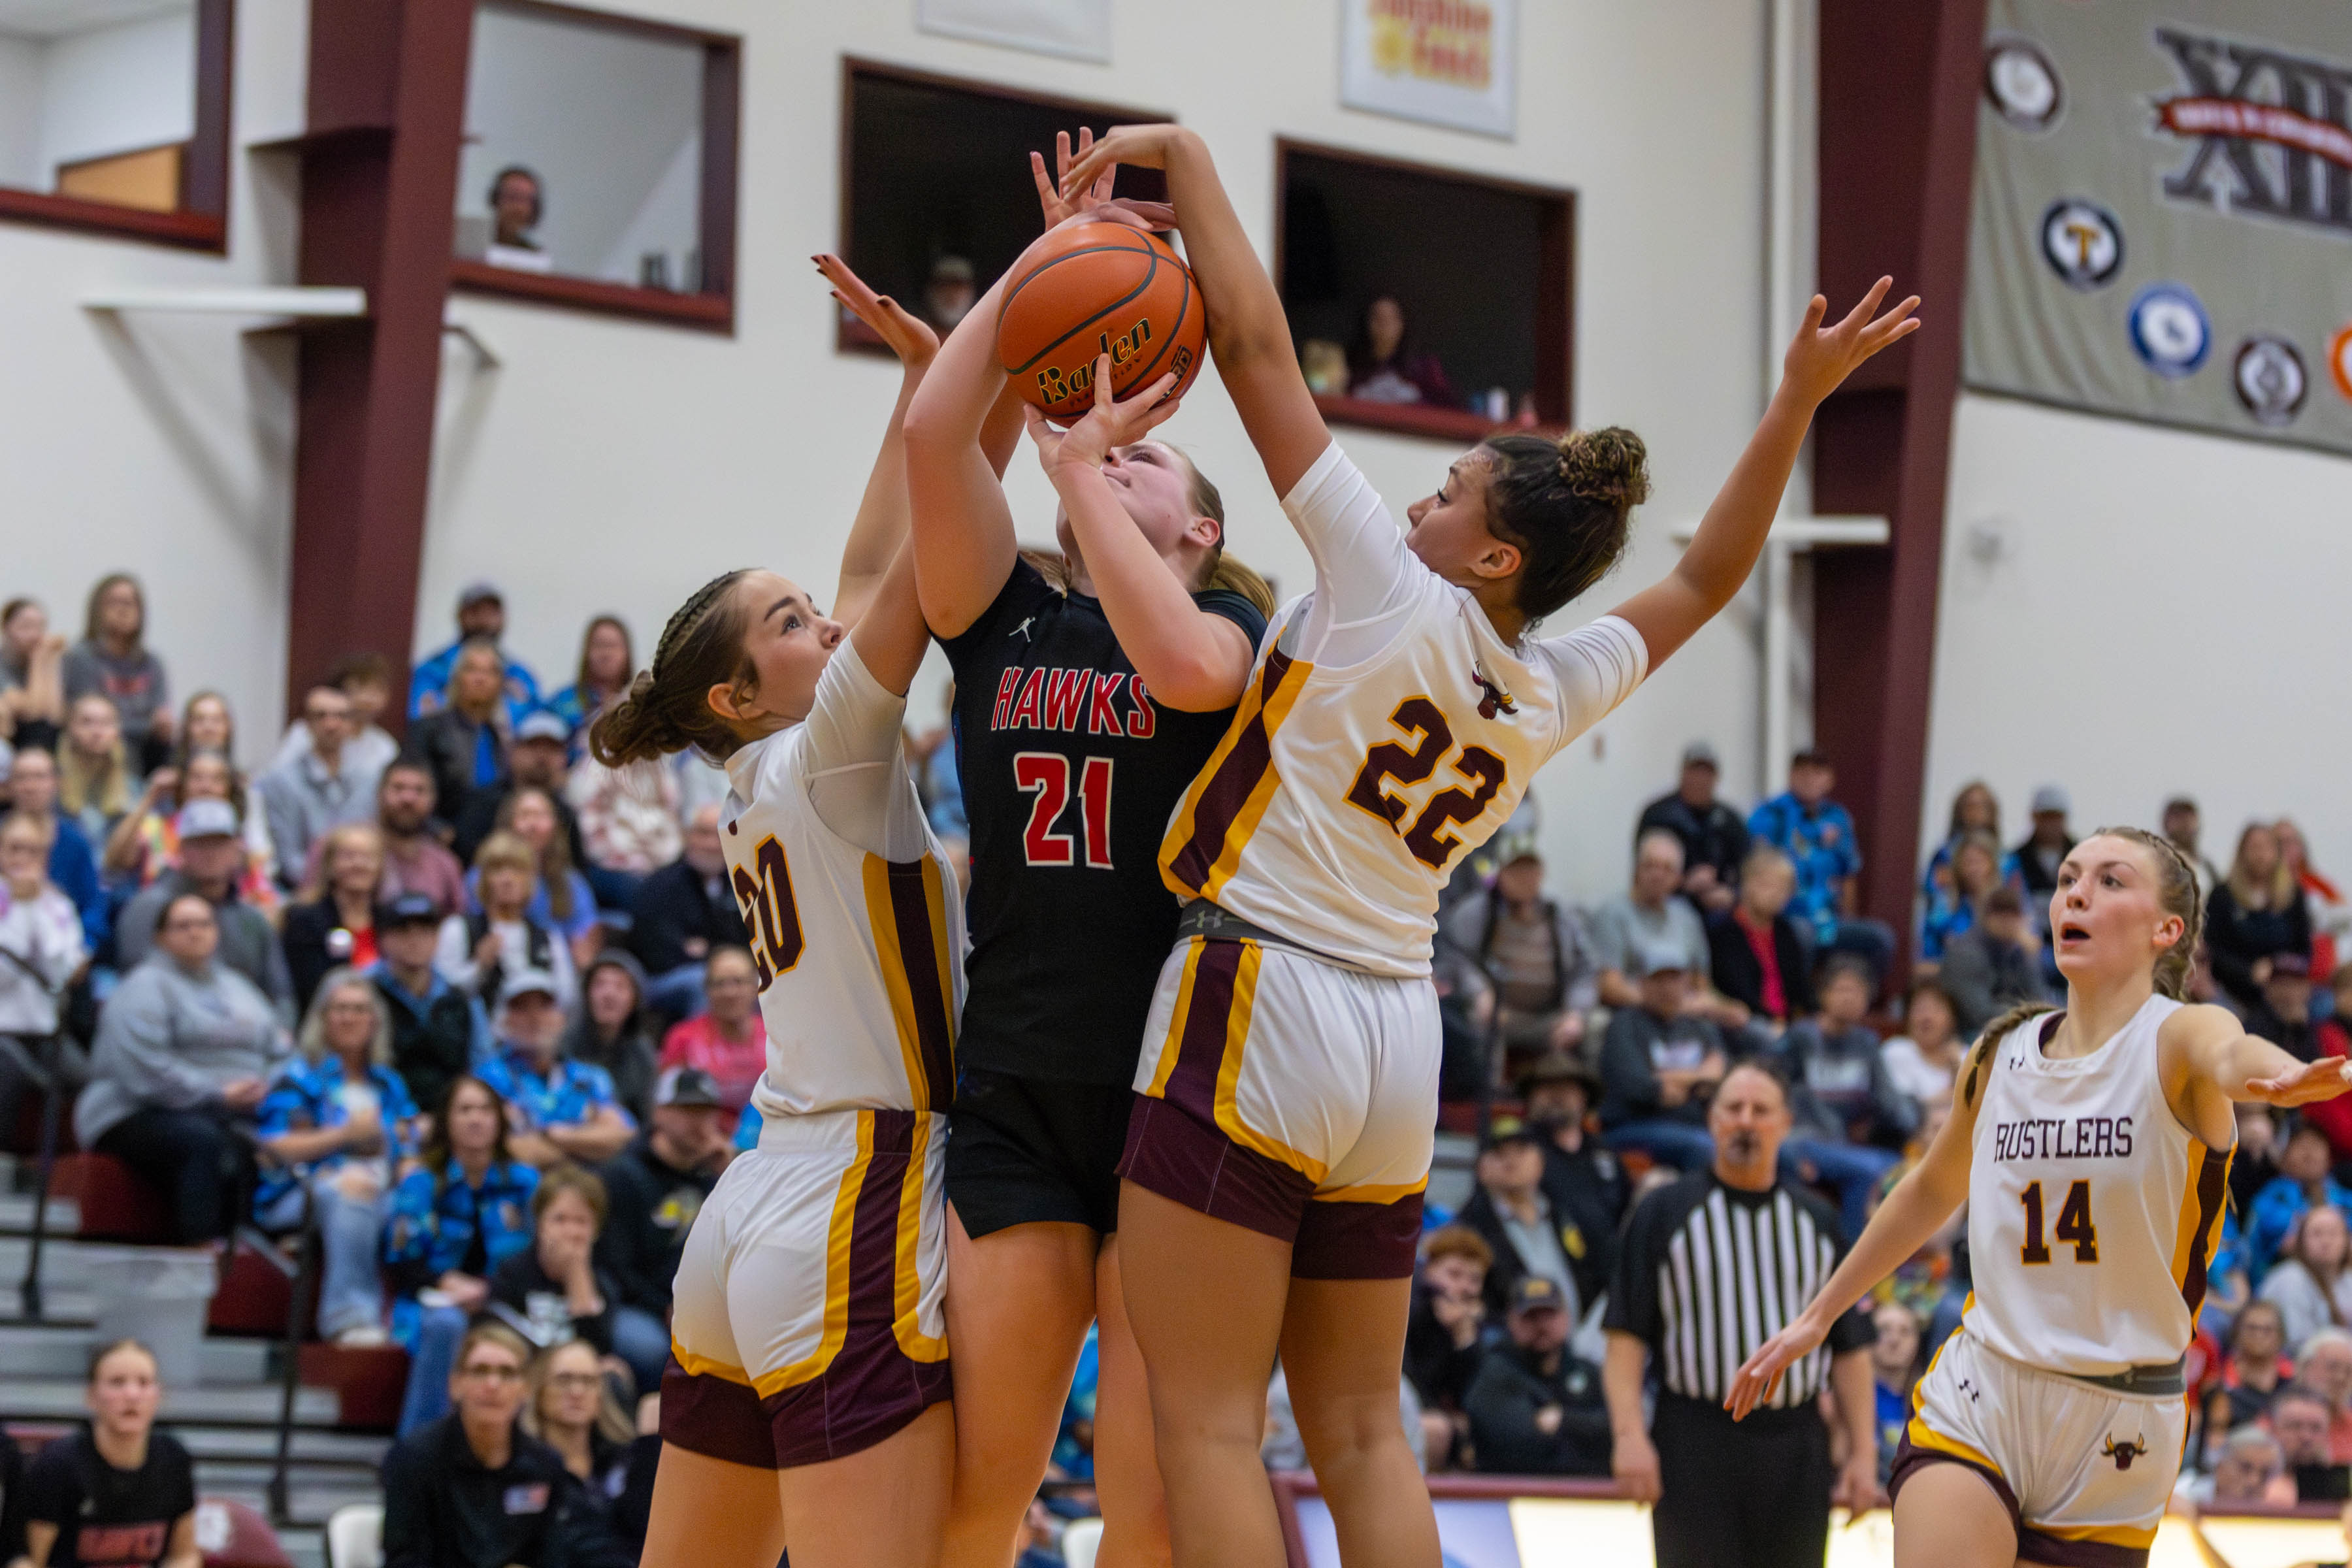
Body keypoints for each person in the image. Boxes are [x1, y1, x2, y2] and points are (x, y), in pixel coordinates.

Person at [1055, 118, 1914, 1568]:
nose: (1419, 498)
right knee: (1362, 1428)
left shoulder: (1383, 584)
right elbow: (1709, 572)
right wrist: (1798, 403)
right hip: (1400, 1037)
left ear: (1497, 554)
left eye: (1451, 492)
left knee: (1200, 1421)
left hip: (1257, 992)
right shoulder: (1550, 681)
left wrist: (1180, 155)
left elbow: (1262, 347)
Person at [900, 141, 1275, 1568]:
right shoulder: (999, 620)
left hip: (1168, 1092)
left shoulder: (1233, 641)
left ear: (1205, 525)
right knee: (987, 1483)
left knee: (1151, 1502)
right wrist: (1042, 275)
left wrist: (1076, 462)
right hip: (1011, 1086)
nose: (1115, 448)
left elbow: (1176, 669)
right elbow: (937, 443)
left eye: (1152, 453)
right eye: (1096, 443)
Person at [589, 254, 964, 1568]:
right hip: (859, 1194)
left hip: (754, 1207)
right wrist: (997, 377)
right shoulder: (832, 755)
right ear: (743, 694)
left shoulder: (768, 771)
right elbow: (933, 552)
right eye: (795, 622)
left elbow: (867, 565)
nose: (826, 617)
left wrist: (925, 384)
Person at [1728, 828, 2352, 1568]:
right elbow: (1931, 1187)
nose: (2076, 894)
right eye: (2065, 878)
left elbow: (2231, 1051)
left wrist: (2283, 1076)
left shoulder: (2178, 1036)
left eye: (2111, 881)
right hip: (1984, 1385)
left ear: (2167, 930)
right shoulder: (2000, 1053)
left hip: (2120, 1417)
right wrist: (1819, 1315)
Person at [1603, 1061, 1880, 1568]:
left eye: (1760, 1110)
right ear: (1712, 1120)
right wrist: (1629, 1437)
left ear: (1785, 1123)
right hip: (1693, 1440)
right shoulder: (1662, 1212)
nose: (1746, 1121)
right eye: (1733, 1109)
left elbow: (1851, 1349)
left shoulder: (1817, 1221)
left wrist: (1863, 1455)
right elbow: (1625, 1337)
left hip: (1796, 1446)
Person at [76, 893, 284, 1243]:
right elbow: (144, 1070)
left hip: (231, 1109)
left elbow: (279, 1047)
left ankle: (249, 1253)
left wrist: (270, 1087)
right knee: (201, 1139)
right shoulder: (143, 986)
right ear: (160, 937)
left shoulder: (239, 987)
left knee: (261, 1142)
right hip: (134, 1111)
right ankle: (198, 1249)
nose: (195, 933)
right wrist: (217, 1094)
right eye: (183, 926)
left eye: (204, 924)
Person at [380, 1320, 632, 1568]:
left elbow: (551, 1558)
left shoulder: (545, 1466)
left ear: (524, 1389)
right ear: (456, 1385)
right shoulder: (413, 1459)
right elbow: (404, 1560)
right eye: (480, 1371)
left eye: (507, 1373)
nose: (493, 1385)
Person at [253, 969, 418, 1344]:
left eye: (360, 1009)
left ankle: (414, 1316)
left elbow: (408, 1144)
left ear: (375, 1020)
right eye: (340, 1009)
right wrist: (345, 1135)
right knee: (352, 1190)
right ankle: (348, 1318)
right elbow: (275, 1147)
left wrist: (412, 1175)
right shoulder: (297, 1076)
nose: (350, 1018)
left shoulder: (388, 1083)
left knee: (421, 1198)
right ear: (322, 1018)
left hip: (382, 1186)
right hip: (302, 1190)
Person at [385, 1074, 542, 1436]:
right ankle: (417, 1451)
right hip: (431, 1299)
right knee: (447, 1324)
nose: (476, 1119)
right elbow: (401, 1259)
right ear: (447, 1121)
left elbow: (538, 1256)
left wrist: (491, 1290)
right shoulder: (422, 1182)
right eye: (465, 1110)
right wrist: (445, 1282)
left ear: (500, 1121)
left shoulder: (526, 1183)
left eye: (486, 1109)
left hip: (506, 1297)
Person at [487, 1164, 666, 1397]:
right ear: (540, 1224)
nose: (570, 1232)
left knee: (615, 1378)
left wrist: (576, 1275)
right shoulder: (512, 1272)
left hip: (574, 1378)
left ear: (596, 1231)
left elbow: (595, 1351)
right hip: (527, 1376)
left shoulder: (601, 1284)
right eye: (560, 1219)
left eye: (581, 1222)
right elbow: (503, 1342)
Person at [19, 1339, 199, 1568]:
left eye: (144, 1383)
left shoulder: (174, 1458)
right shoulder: (58, 1464)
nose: (132, 1394)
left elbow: (183, 1555)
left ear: (159, 1395)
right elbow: (31, 1561)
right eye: (117, 1382)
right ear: (91, 1396)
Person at [1776, 955, 1914, 1237]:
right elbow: (1772, 1089)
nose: (1849, 998)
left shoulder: (1866, 1043)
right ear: (1824, 995)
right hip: (1804, 1139)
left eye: (1857, 991)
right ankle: (1848, 1264)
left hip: (1847, 1145)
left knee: (1903, 1169)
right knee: (1867, 1170)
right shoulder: (1801, 1038)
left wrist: (1914, 1121)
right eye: (1842, 990)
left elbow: (1890, 1103)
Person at [113, 800, 292, 1013]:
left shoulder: (252, 918)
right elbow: (136, 986)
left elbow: (281, 993)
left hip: (248, 1031)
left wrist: (279, 1033)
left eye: (220, 843)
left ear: (237, 849)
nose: (210, 853)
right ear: (181, 850)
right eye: (199, 844)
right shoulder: (149, 907)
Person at [594, 1065, 727, 1340]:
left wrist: (732, 1178)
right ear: (659, 1113)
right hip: (637, 1305)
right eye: (687, 1110)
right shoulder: (622, 1176)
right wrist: (663, 1306)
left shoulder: (718, 1177)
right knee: (648, 1347)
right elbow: (614, 1267)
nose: (699, 1122)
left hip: (701, 1308)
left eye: (706, 1111)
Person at [1436, 848, 1598, 1067]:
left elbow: (1585, 970)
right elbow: (1455, 957)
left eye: (1531, 870)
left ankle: (1577, 1096)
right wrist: (1479, 991)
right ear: (1501, 874)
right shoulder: (1474, 912)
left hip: (1551, 1017)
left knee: (1598, 1025)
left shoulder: (1561, 916)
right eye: (1516, 871)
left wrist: (1576, 1013)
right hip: (1498, 1015)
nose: (1525, 878)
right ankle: (1489, 1096)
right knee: (1472, 1019)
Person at [1748, 751, 1897, 983]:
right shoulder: (1770, 814)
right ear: (1791, 776)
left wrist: (1849, 917)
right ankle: (1803, 1005)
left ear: (1829, 779)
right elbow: (1755, 868)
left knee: (1881, 938)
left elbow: (1848, 874)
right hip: (1786, 917)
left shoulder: (1838, 818)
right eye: (1803, 772)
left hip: (1829, 920)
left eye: (1818, 773)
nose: (1810, 779)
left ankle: (1856, 1001)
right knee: (1802, 936)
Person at [476, 970, 632, 1168]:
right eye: (521, 1008)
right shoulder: (488, 1078)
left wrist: (552, 1135)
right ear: (505, 1021)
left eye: (545, 1007)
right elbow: (495, 1150)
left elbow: (623, 1138)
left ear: (562, 1019)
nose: (534, 1018)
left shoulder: (591, 1077)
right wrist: (587, 1140)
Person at [1457, 1115, 1601, 1328]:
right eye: (1499, 1153)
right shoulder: (1469, 1228)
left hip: (1578, 1347)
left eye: (1521, 1151)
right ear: (1481, 1168)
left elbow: (1594, 1273)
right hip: (1507, 1349)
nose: (1511, 1160)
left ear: (1540, 1162)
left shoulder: (1565, 1214)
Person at [1597, 946, 1729, 1171]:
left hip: (1696, 1126)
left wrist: (1670, 1079)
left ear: (1687, 982)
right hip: (1635, 1125)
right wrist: (1700, 1078)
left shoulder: (1702, 1028)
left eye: (1674, 979)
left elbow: (1723, 1083)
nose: (1667, 988)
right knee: (1704, 1147)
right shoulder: (1624, 1025)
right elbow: (1638, 1087)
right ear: (1641, 983)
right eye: (1658, 979)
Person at [0, 809, 90, 1139]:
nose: (23, 858)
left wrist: (35, 909)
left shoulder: (58, 905)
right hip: (2, 1029)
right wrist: (19, 911)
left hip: (44, 1030)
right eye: (14, 848)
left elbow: (63, 972)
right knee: (7, 1074)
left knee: (89, 1082)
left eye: (32, 850)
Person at [1462, 1275, 1609, 1475]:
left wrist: (1564, 1421)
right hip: (1507, 1493)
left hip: (1591, 1493)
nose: (1541, 1325)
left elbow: (1618, 1429)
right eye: (1531, 1316)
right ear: (1511, 1320)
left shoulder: (1590, 1373)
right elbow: (1515, 1442)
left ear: (1566, 1317)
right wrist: (1584, 1433)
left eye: (1549, 1314)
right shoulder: (1494, 1372)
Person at [104, 747, 281, 912]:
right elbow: (115, 860)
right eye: (197, 778)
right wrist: (152, 795)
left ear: (229, 788)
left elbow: (264, 899)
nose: (206, 786)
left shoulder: (237, 838)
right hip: (159, 920)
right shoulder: (157, 827)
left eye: (217, 779)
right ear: (182, 785)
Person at [370, 891, 490, 1122]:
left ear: (437, 939)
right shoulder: (365, 992)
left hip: (451, 1122)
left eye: (425, 931)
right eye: (403, 931)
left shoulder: (462, 999)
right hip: (383, 1116)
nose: (414, 940)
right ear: (383, 939)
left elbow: (483, 1065)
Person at [625, 802, 747, 1022]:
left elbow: (746, 942)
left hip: (722, 971)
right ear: (687, 836)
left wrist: (706, 950)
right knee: (704, 982)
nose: (712, 844)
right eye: (703, 833)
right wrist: (715, 958)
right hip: (662, 980)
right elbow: (658, 952)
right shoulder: (661, 885)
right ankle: (702, 1053)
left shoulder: (739, 883)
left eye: (719, 834)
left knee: (753, 981)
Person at [257, 684, 380, 889]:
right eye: (321, 716)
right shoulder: (281, 781)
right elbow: (289, 860)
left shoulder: (369, 780)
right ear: (306, 723)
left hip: (360, 892)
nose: (331, 725)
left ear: (352, 724)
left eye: (341, 716)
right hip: (302, 892)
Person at [436, 831, 578, 1009]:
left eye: (517, 870)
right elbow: (440, 993)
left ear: (531, 880)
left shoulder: (549, 938)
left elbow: (567, 998)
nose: (507, 879)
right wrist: (479, 969)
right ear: (483, 880)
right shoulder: (458, 928)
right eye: (497, 870)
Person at [473, 784, 599, 971]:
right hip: (496, 967)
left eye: (541, 816)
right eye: (525, 815)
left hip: (554, 971)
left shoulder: (572, 883)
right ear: (508, 823)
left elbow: (584, 944)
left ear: (555, 825)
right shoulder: (480, 875)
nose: (533, 825)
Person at [1591, 829, 1718, 1010]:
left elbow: (1701, 984)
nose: (1658, 875)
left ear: (1678, 878)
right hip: (1632, 1014)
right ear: (1636, 870)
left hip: (1685, 1016)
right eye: (1650, 865)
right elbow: (1609, 988)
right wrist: (1668, 1006)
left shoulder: (1687, 916)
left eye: (1667, 869)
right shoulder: (1612, 914)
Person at [62, 574, 171, 773]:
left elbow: (161, 718)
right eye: (114, 603)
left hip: (145, 752)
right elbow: (90, 723)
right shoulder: (81, 657)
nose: (123, 610)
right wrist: (146, 725)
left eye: (130, 603)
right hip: (95, 753)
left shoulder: (152, 663)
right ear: (97, 610)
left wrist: (159, 725)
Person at [402, 639, 512, 830]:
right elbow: (413, 784)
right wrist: (435, 828)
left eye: (490, 672)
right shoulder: (428, 729)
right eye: (472, 670)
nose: (481, 679)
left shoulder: (500, 736)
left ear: (500, 682)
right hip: (440, 836)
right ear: (457, 678)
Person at [2208, 820, 2315, 1016]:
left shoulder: (2293, 895)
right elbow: (2215, 949)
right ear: (2242, 853)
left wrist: (2275, 967)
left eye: (2267, 847)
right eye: (2255, 847)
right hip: (2234, 992)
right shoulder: (2222, 896)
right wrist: (2249, 971)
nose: (2261, 855)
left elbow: (2304, 948)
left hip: (2284, 993)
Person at [453, 712, 587, 868]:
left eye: (552, 749)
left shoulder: (565, 814)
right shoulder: (483, 803)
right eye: (533, 746)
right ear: (513, 752)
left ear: (564, 758)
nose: (542, 756)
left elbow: (576, 870)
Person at [1707, 842, 1816, 1032]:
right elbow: (1737, 991)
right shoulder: (1725, 931)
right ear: (1747, 883)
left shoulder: (1786, 932)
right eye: (1768, 885)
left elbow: (1800, 989)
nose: (1776, 895)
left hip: (1786, 1023)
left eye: (1784, 888)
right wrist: (1775, 1024)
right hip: (1746, 1022)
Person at [520, 1337, 636, 1512]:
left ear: (601, 1395)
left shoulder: (623, 1461)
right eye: (563, 1380)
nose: (577, 1392)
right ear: (540, 1391)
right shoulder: (521, 1466)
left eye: (588, 1381)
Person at [281, 821, 385, 1014]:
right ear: (329, 865)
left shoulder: (389, 920)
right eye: (349, 856)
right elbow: (307, 988)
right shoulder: (305, 920)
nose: (359, 864)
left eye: (368, 857)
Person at [7, 747, 106, 949]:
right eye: (22, 777)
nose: (30, 786)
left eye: (39, 777)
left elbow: (93, 902)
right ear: (10, 785)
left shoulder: (75, 841)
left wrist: (85, 946)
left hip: (63, 944)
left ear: (55, 783)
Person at [341, 760, 467, 915]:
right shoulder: (343, 850)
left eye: (419, 790)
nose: (408, 798)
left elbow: (456, 926)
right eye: (398, 788)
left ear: (433, 800)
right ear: (379, 794)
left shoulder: (445, 864)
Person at [1636, 740, 1749, 913]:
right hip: (1667, 904)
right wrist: (1682, 883)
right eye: (1695, 771)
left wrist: (1731, 894)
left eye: (1706, 773)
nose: (1700, 779)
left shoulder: (1730, 821)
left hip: (1720, 913)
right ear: (1683, 773)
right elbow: (1643, 871)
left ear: (1716, 778)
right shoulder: (1658, 815)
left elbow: (1745, 869)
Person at [1403, 1224, 1492, 1444]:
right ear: (1428, 1270)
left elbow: (1477, 1399)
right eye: (1454, 1274)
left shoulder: (1473, 1324)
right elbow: (1404, 1377)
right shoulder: (1408, 1308)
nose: (1464, 1287)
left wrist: (1465, 1339)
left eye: (1474, 1279)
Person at [656, 946, 764, 1124]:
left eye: (738, 982)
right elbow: (665, 1107)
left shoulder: (774, 1037)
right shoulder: (683, 1038)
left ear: (755, 987)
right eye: (720, 983)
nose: (730, 992)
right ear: (707, 990)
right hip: (702, 1142)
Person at [409, 581, 540, 723]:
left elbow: (535, 724)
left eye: (491, 613)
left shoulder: (519, 673)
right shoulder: (433, 669)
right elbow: (421, 717)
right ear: (460, 615)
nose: (484, 620)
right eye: (476, 612)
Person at [563, 949, 659, 1126]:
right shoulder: (564, 1044)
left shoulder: (642, 1053)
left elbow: (646, 1119)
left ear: (635, 1000)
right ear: (586, 994)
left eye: (620, 986)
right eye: (599, 985)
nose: (608, 995)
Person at [272, 651, 399, 783]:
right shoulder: (305, 733)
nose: (369, 698)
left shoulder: (384, 745)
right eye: (361, 687)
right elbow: (276, 777)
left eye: (378, 690)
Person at [1936, 885, 2044, 1037]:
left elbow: (2039, 998)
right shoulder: (1966, 953)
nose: (2008, 923)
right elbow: (1980, 1014)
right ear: (1987, 917)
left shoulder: (2014, 948)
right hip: (1965, 1034)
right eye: (2002, 916)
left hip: (2007, 1028)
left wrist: (2031, 956)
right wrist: (2031, 1015)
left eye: (2015, 916)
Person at [2251, 1122, 2352, 1282]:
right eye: (2301, 1145)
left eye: (2317, 1145)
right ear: (2284, 1157)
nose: (2309, 1153)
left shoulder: (2346, 1200)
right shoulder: (2271, 1196)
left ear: (2329, 1157)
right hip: (2282, 1279)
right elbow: (2277, 1242)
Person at [2261, 1204, 2352, 1358]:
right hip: (2294, 1367)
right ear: (2300, 1240)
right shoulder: (2290, 1279)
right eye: (2317, 1234)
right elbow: (2296, 1345)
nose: (2326, 1241)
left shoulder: (2348, 1279)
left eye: (2334, 1234)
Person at [1345, 293, 1456, 407]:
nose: (1385, 324)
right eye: (1378, 318)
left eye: (1392, 318)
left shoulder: (1424, 368)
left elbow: (1449, 407)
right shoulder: (1348, 367)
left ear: (1402, 323)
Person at [2206, 1298, 2292, 1441]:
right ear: (2237, 1333)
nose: (2258, 1336)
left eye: (2267, 1330)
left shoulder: (2294, 1379)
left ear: (2280, 1336)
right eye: (2252, 1328)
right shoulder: (2217, 1378)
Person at [1919, 828, 2004, 968]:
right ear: (1958, 867)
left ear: (1992, 865)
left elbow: (2029, 945)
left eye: (1979, 862)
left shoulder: (2006, 902)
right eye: (1968, 862)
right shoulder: (1944, 906)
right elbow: (1929, 952)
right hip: (1951, 972)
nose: (1973, 869)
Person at [547, 615, 635, 751]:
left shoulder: (639, 704)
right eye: (599, 646)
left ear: (627, 654)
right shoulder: (562, 702)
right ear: (586, 652)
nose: (606, 654)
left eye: (612, 646)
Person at [56, 694, 137, 843]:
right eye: (87, 722)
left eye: (106, 723)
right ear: (71, 728)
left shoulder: (133, 790)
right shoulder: (52, 786)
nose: (97, 732)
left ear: (117, 731)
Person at [1880, 978, 1965, 1111]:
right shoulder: (1896, 1051)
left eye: (1936, 1010)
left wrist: (1958, 1070)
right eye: (1920, 1009)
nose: (1927, 1018)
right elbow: (1900, 1110)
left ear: (1952, 1019)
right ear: (1908, 1017)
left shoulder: (1967, 1056)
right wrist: (1951, 1095)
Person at [0, 595, 67, 749]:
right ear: (5, 628)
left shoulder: (48, 657)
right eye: (26, 627)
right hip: (11, 740)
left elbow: (54, 716)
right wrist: (39, 659)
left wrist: (52, 662)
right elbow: (32, 712)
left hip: (40, 739)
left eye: (40, 628)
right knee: (37, 730)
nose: (35, 635)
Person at [1869, 1299, 1922, 1486]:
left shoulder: (1929, 1401)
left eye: (1905, 1331)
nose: (1894, 1340)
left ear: (1917, 1342)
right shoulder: (1848, 1401)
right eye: (1884, 1330)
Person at [2181, 1424, 2295, 1509]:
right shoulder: (2182, 1497)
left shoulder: (2276, 1515)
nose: (2253, 1481)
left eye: (2265, 1473)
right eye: (2245, 1468)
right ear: (2220, 1468)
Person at [2013, 785, 2074, 910]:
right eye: (2046, 817)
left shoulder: (2082, 858)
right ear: (2034, 817)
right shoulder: (2015, 860)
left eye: (2056, 816)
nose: (2051, 823)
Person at [2164, 795, 2224, 898]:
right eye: (2178, 818)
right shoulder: (2155, 865)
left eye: (2188, 818)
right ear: (2166, 823)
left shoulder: (2207, 868)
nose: (2184, 824)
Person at [921, 253, 976, 331]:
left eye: (958, 284)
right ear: (930, 291)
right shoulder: (909, 336)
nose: (951, 293)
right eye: (943, 284)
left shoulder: (989, 337)